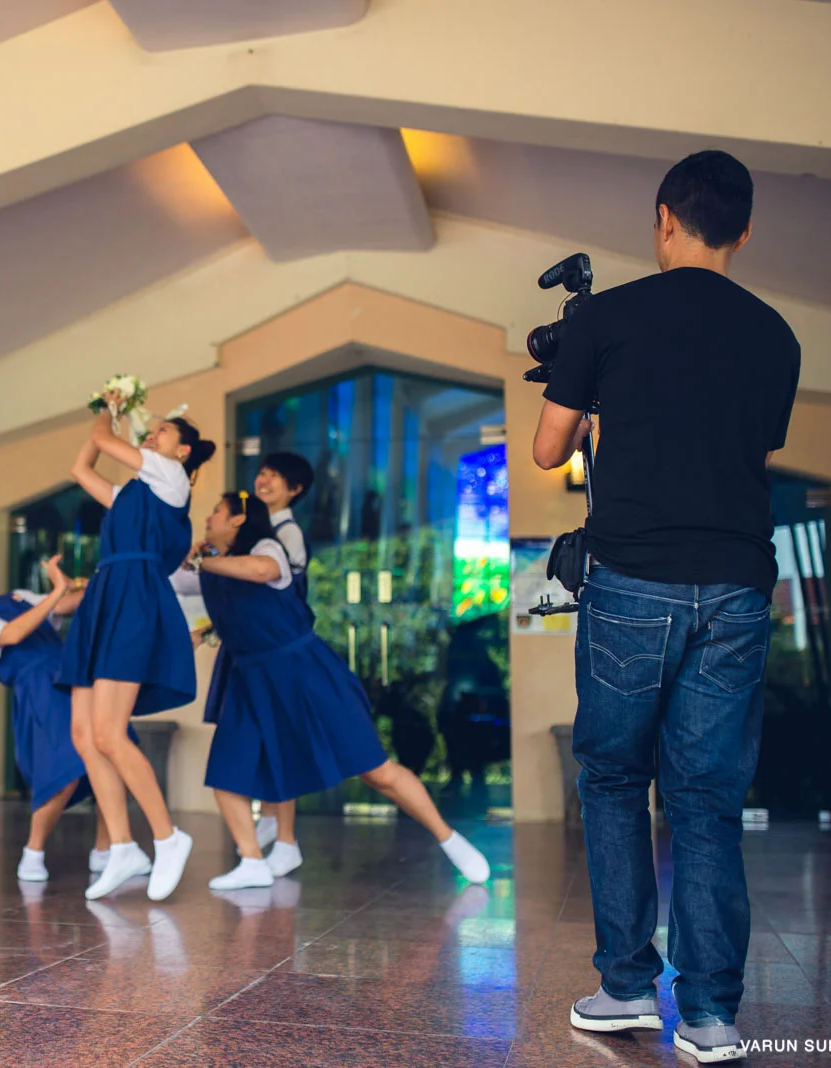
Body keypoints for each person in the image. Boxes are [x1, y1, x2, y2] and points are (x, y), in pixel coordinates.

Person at [534, 151, 799, 1064]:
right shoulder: (776, 335)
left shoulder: (605, 318)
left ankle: (625, 989)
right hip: (736, 585)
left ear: (663, 220)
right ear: (744, 231)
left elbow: (547, 451)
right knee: (707, 796)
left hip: (634, 580)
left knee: (614, 778)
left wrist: (592, 400)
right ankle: (713, 1017)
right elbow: (747, 451)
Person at [179, 492, 490, 891]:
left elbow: (260, 571)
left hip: (304, 672)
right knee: (227, 770)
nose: (209, 518)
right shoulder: (210, 568)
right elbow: (173, 581)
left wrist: (202, 561)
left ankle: (449, 838)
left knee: (375, 769)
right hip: (249, 679)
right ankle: (253, 860)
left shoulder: (267, 547)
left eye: (217, 511)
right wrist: (188, 563)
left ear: (238, 520)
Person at [60, 401, 213, 901]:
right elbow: (81, 467)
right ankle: (123, 847)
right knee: (86, 735)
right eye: (152, 431)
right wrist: (107, 419)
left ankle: (168, 837)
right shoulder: (133, 492)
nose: (152, 435)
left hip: (132, 597)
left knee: (108, 731)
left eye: (162, 432)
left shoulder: (172, 477)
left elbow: (103, 442)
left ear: (182, 451)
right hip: (107, 595)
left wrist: (108, 410)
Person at [0, 534, 114, 881]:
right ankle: (33, 853)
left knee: (108, 756)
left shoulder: (14, 597)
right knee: (65, 771)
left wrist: (104, 577)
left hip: (71, 676)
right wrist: (58, 592)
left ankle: (106, 851)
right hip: (40, 691)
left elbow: (63, 606)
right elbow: (12, 634)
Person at [248, 452, 314, 867]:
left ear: (295, 489)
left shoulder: (287, 535)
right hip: (259, 648)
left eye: (275, 476)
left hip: (278, 649)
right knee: (261, 735)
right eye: (262, 473)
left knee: (277, 736)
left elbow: (276, 592)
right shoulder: (261, 530)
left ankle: (284, 837)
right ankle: (271, 818)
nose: (264, 481)